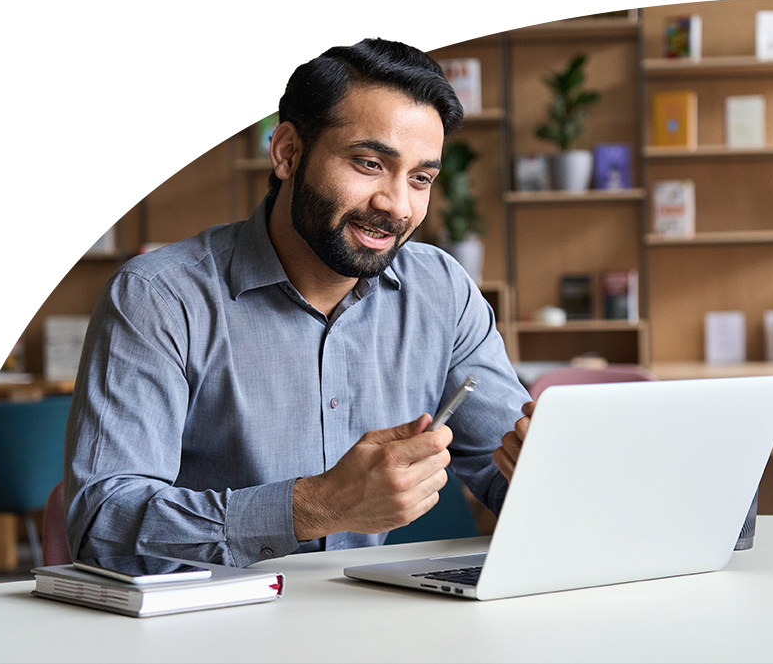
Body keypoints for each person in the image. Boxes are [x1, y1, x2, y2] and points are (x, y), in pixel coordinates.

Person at [64, 38, 533, 567]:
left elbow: (510, 471)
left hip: (366, 622)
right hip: (208, 628)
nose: (397, 205)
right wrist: (317, 506)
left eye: (421, 178)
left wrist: (547, 469)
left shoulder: (441, 290)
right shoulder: (159, 298)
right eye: (369, 163)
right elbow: (102, 525)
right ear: (287, 152)